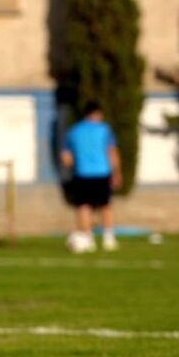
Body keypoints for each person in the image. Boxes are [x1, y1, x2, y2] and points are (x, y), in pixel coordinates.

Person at [60, 101, 121, 253]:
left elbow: (66, 158)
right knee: (105, 205)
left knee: (83, 206)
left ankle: (88, 239)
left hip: (82, 173)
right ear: (98, 114)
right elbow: (112, 151)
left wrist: (75, 164)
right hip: (102, 172)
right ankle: (109, 239)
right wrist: (117, 172)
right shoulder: (104, 129)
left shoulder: (74, 131)